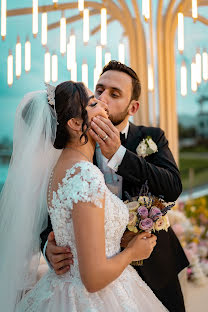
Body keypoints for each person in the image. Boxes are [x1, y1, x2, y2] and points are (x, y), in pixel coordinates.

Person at [0, 81, 168, 312]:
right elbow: (93, 278)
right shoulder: (85, 174)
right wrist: (132, 253)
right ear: (76, 123)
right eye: (93, 102)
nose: (103, 103)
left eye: (112, 94)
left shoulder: (59, 169)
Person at [42, 61, 189, 312]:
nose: (103, 99)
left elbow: (172, 186)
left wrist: (119, 155)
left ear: (133, 107)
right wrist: (47, 245)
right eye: (98, 90)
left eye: (114, 93)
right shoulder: (70, 150)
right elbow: (56, 203)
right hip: (92, 280)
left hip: (153, 269)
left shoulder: (151, 137)